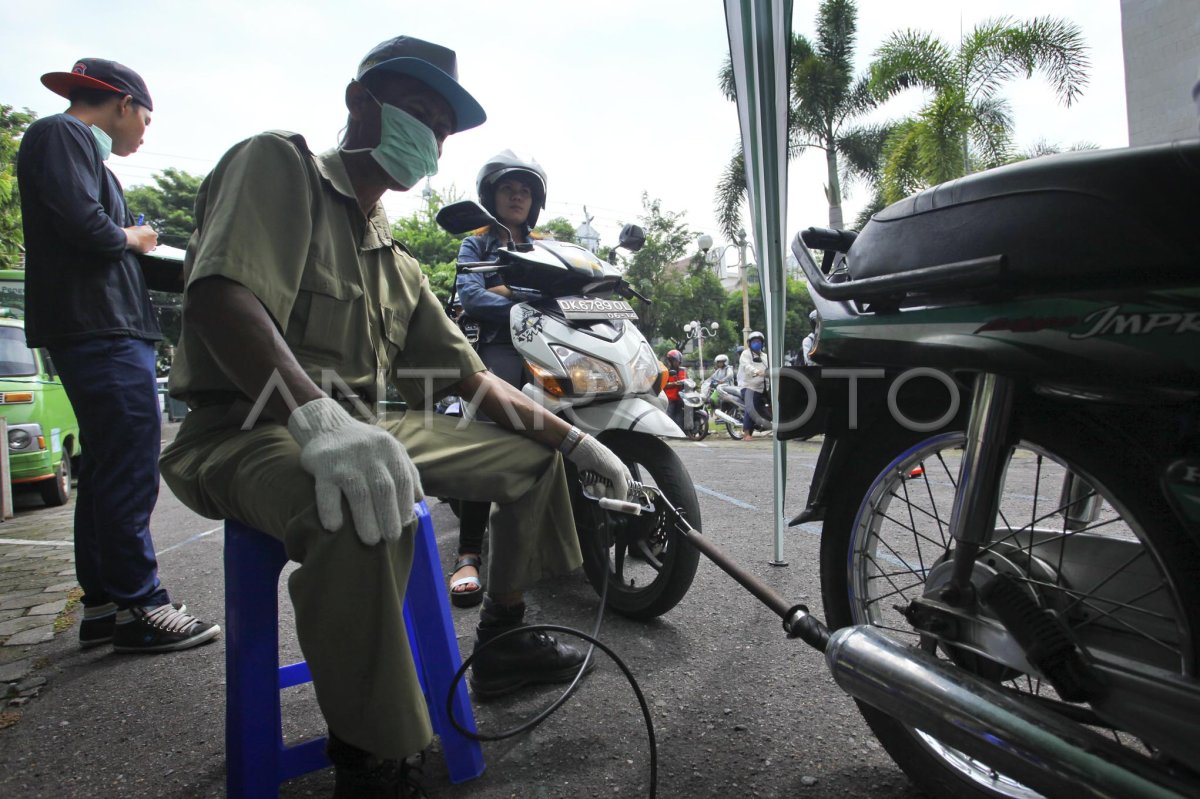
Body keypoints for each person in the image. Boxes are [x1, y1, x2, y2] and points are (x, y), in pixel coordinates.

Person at [158, 35, 633, 796]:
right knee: (359, 506)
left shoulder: (397, 259)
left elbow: (474, 380)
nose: (430, 136)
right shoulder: (279, 165)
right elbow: (220, 297)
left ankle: (505, 637)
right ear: (360, 102)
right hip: (244, 426)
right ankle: (372, 749)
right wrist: (315, 421)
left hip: (367, 423)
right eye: (418, 111)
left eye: (441, 128)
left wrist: (577, 441)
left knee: (529, 458)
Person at [16, 58, 219, 653]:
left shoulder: (84, 154)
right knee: (129, 465)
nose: (143, 134)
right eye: (147, 121)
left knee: (107, 469)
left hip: (105, 325)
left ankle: (103, 603)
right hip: (98, 327)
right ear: (125, 103)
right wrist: (137, 236)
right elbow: (92, 230)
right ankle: (142, 605)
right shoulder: (62, 134)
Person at [447, 150, 548, 608]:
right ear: (491, 195)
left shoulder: (544, 245)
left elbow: (562, 291)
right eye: (508, 188)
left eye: (525, 190)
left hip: (549, 343)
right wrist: (525, 302)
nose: (517, 195)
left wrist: (508, 290)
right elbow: (470, 294)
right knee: (489, 431)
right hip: (501, 344)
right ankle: (469, 552)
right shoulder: (477, 242)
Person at [737, 331, 771, 439]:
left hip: (762, 388)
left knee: (766, 410)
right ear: (750, 343)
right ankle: (747, 433)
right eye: (754, 341)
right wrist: (756, 371)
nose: (757, 343)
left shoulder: (765, 356)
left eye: (759, 341)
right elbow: (747, 366)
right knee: (750, 407)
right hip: (748, 386)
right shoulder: (745, 354)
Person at [662, 349, 688, 429]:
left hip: (682, 397)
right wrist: (674, 384)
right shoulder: (666, 371)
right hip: (671, 398)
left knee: (681, 414)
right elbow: (664, 385)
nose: (676, 362)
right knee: (670, 415)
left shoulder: (683, 370)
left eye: (677, 361)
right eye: (674, 361)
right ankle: (668, 431)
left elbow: (688, 380)